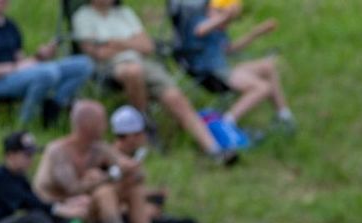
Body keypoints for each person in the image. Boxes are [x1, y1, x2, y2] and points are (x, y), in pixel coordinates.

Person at [109, 105, 271, 223]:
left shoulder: (132, 157)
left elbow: (132, 192)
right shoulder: (110, 160)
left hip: (141, 218)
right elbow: (109, 202)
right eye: (142, 133)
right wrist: (140, 207)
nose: (144, 138)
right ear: (132, 136)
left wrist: (153, 194)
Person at [71, 0, 239, 165]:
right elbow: (98, 53)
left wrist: (115, 43)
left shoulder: (124, 13)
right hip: (110, 67)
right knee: (133, 71)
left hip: (143, 63)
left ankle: (213, 148)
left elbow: (147, 46)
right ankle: (144, 125)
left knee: (174, 96)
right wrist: (131, 43)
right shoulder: (83, 16)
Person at [33, 100, 181, 223]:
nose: (106, 127)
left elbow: (128, 169)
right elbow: (72, 189)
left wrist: (130, 170)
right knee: (105, 192)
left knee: (133, 190)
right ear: (88, 125)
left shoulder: (98, 148)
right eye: (102, 122)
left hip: (85, 208)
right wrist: (107, 177)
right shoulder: (58, 151)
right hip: (60, 212)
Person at [0, 0, 93, 126]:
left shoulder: (10, 26)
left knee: (83, 64)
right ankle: (26, 121)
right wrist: (13, 68)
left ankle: (54, 107)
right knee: (47, 74)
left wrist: (40, 57)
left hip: (15, 75)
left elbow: (22, 62)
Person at [176, 0, 295, 133]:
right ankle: (227, 122)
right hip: (211, 72)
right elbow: (200, 31)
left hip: (223, 68)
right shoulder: (199, 20)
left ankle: (284, 116)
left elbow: (230, 50)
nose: (227, 23)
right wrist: (225, 17)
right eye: (220, 13)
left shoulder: (219, 29)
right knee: (262, 87)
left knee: (268, 66)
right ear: (211, 9)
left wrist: (256, 33)